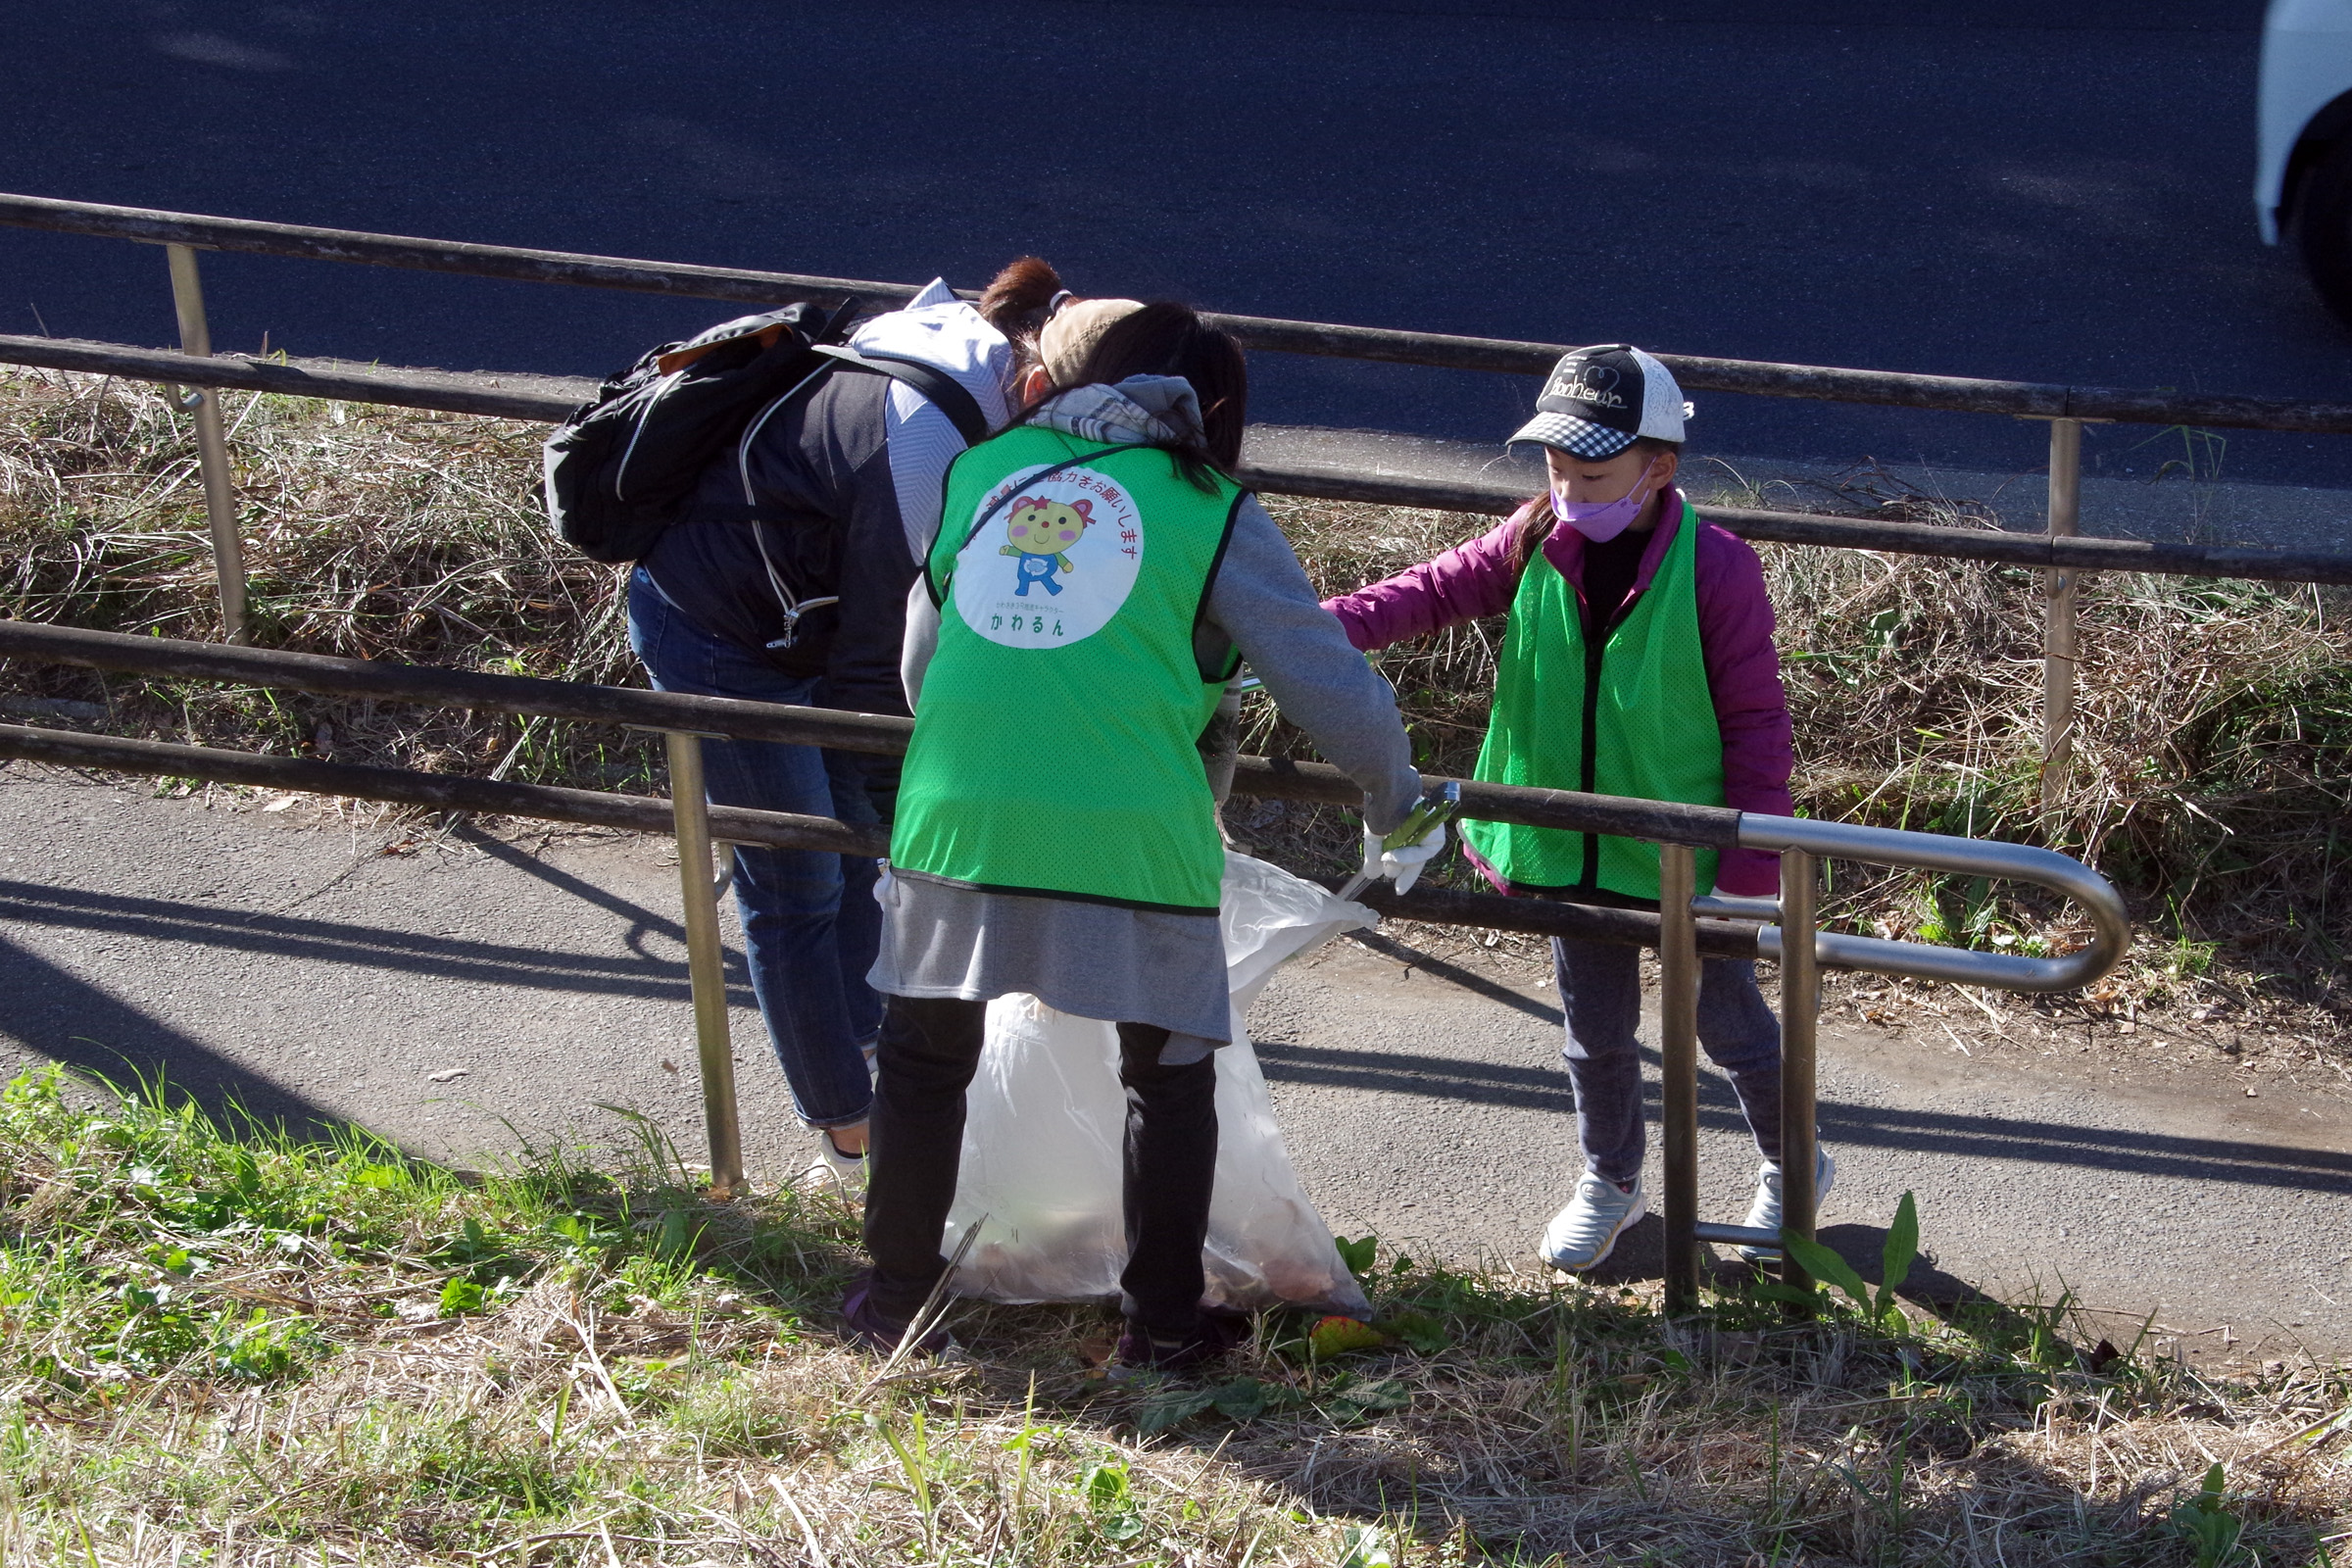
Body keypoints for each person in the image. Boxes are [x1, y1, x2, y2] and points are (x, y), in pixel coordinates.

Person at [845, 299, 1440, 1367]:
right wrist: (1397, 798)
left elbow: (920, 667)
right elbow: (1329, 685)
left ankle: (895, 1301)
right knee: (1165, 1079)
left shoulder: (983, 474)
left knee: (923, 1061)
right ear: (1211, 407)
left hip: (954, 814)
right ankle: (1162, 1327)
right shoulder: (1207, 504)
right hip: (1130, 834)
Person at [1320, 343, 1831, 1272]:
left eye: (1592, 474)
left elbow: (1758, 721)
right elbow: (1430, 592)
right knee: (1593, 1030)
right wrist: (1313, 631)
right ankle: (1611, 1179)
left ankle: (1791, 1165)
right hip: (1566, 836)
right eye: (1555, 470)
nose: (1569, 490)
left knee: (1732, 1023)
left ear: (1659, 467)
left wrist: (1751, 866)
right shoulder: (1530, 538)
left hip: (1689, 847)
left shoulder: (1717, 570)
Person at [628, 259, 1066, 1186]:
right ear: (1033, 382)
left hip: (795, 619)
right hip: (719, 629)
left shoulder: (941, 356)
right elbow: (881, 650)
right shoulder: (927, 439)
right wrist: (908, 781)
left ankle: (873, 1058)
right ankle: (848, 1130)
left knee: (858, 855)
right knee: (798, 882)